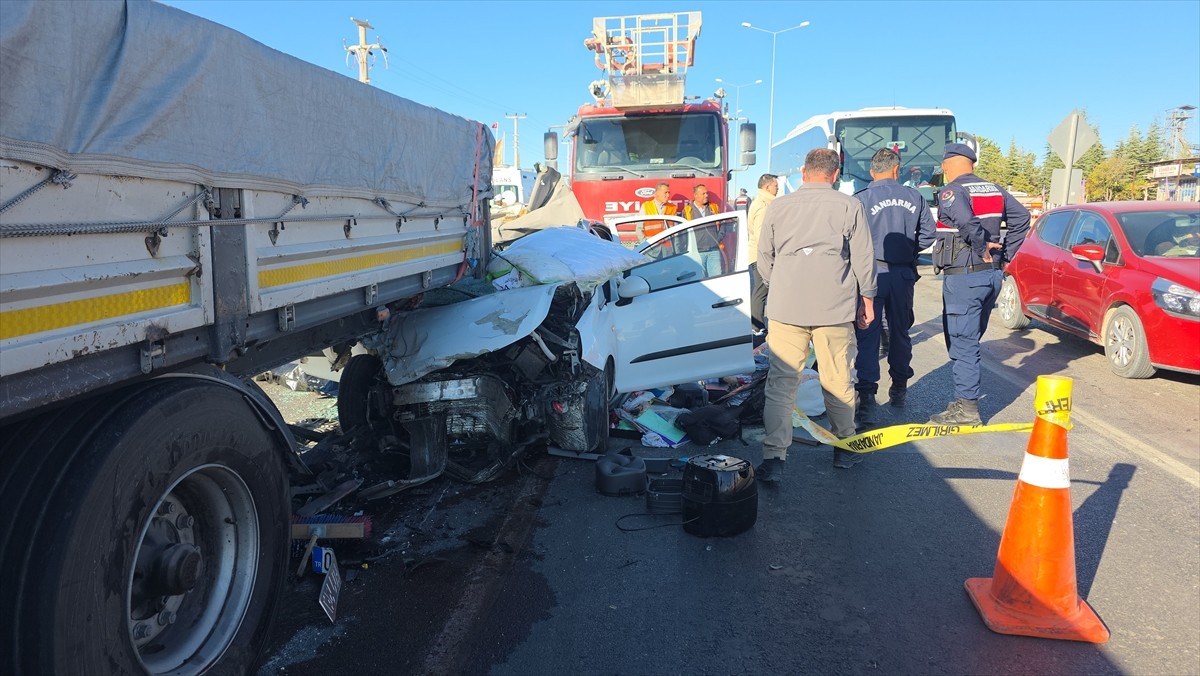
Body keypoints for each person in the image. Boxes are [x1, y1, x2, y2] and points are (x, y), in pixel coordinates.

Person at [756, 149, 877, 478]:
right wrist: (867, 300)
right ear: (835, 174)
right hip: (833, 309)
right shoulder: (850, 206)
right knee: (837, 379)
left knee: (782, 384)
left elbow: (764, 257)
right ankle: (845, 448)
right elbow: (864, 259)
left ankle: (774, 458)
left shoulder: (779, 207)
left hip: (785, 309)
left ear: (803, 172)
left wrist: (780, 284)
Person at [930, 143, 1030, 426]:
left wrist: (980, 244)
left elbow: (965, 220)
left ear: (950, 164)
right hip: (990, 276)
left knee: (963, 343)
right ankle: (964, 399)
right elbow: (1022, 217)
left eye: (944, 167)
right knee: (968, 339)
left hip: (966, 276)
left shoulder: (953, 191)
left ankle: (967, 411)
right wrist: (1006, 254)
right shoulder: (994, 189)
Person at [852, 149, 937, 429]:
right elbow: (928, 234)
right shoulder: (914, 197)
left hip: (870, 274)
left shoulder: (861, 198)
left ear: (872, 170)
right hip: (902, 274)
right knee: (900, 332)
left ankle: (866, 399)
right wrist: (907, 250)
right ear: (896, 169)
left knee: (867, 334)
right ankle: (899, 388)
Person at [746, 173, 778, 332]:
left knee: (761, 291)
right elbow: (761, 235)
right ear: (767, 187)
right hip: (761, 256)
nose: (777, 188)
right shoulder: (763, 205)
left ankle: (757, 325)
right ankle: (756, 327)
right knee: (761, 291)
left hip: (759, 255)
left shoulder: (761, 203)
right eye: (775, 186)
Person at [682, 184, 722, 276]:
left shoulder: (714, 208)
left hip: (714, 251)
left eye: (706, 193)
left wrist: (718, 239)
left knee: (716, 279)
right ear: (695, 195)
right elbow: (684, 233)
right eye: (703, 194)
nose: (706, 195)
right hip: (697, 252)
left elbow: (722, 225)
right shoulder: (688, 211)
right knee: (700, 281)